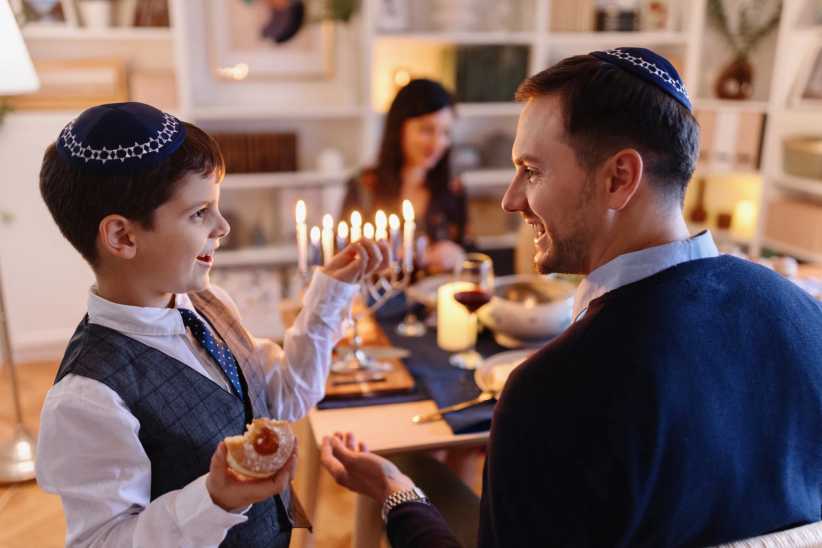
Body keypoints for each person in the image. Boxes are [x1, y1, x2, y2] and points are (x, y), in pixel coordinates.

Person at [320, 48, 822, 547]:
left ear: (619, 178)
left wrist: (397, 495)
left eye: (532, 171)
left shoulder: (550, 395)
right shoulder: (805, 318)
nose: (510, 199)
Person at [34, 102, 389, 548]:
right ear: (123, 237)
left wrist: (330, 292)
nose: (222, 226)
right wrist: (214, 499)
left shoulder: (207, 303)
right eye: (199, 213)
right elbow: (101, 541)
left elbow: (283, 396)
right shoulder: (88, 397)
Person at [341, 78, 469, 273]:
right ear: (399, 128)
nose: (437, 143)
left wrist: (458, 255)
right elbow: (341, 257)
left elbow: (470, 252)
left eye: (445, 132)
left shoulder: (453, 189)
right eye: (427, 130)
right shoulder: (364, 186)